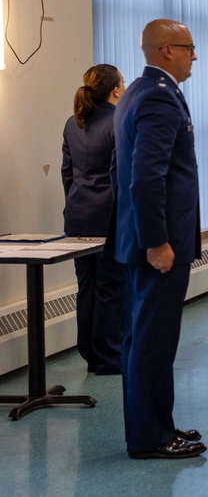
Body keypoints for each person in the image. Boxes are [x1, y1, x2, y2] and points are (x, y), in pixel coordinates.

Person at [111, 19, 205, 459]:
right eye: (189, 48)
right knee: (153, 340)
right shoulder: (159, 99)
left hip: (139, 239)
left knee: (143, 338)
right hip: (158, 245)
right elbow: (147, 178)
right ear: (167, 50)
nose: (194, 56)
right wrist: (156, 241)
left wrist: (134, 232)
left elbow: (121, 173)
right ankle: (150, 437)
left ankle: (156, 426)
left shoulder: (134, 94)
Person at [61, 64, 126, 375]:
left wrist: (77, 204)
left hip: (77, 219)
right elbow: (124, 176)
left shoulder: (72, 124)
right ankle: (108, 358)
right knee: (111, 290)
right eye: (122, 83)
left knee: (86, 288)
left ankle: (89, 353)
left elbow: (66, 175)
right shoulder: (119, 123)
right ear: (115, 90)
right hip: (108, 221)